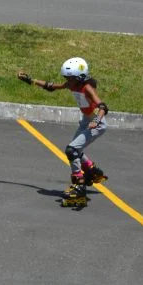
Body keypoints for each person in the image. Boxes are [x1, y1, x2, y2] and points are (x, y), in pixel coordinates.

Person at [18, 57, 109, 203]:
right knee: (75, 150)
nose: (67, 81)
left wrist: (96, 121)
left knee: (72, 150)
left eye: (70, 78)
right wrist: (31, 80)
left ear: (80, 77)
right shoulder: (73, 84)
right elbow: (51, 86)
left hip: (96, 123)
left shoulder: (87, 88)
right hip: (86, 121)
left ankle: (79, 186)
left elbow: (103, 107)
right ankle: (92, 171)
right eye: (66, 78)